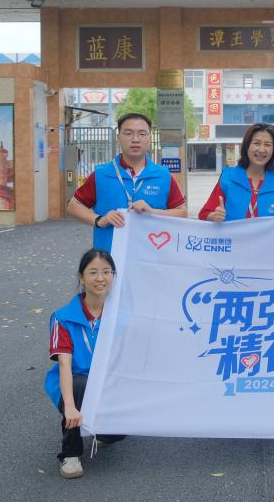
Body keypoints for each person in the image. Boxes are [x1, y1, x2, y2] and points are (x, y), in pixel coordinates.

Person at [45, 248, 126, 479]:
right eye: (93, 272)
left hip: (108, 381)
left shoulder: (121, 316)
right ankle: (70, 454)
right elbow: (64, 365)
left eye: (106, 272)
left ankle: (106, 433)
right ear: (81, 277)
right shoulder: (63, 318)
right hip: (74, 382)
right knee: (80, 385)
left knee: (119, 432)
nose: (100, 278)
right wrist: (70, 407)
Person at [67, 113, 188, 251]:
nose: (135, 139)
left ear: (149, 138)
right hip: (108, 257)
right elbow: (73, 206)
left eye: (142, 134)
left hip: (151, 256)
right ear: (118, 137)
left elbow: (182, 212)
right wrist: (99, 220)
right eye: (128, 133)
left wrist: (153, 212)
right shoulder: (101, 174)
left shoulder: (163, 175)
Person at [198, 123, 274, 221]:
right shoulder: (228, 178)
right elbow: (204, 214)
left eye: (267, 145)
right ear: (247, 146)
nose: (262, 150)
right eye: (257, 143)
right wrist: (214, 216)